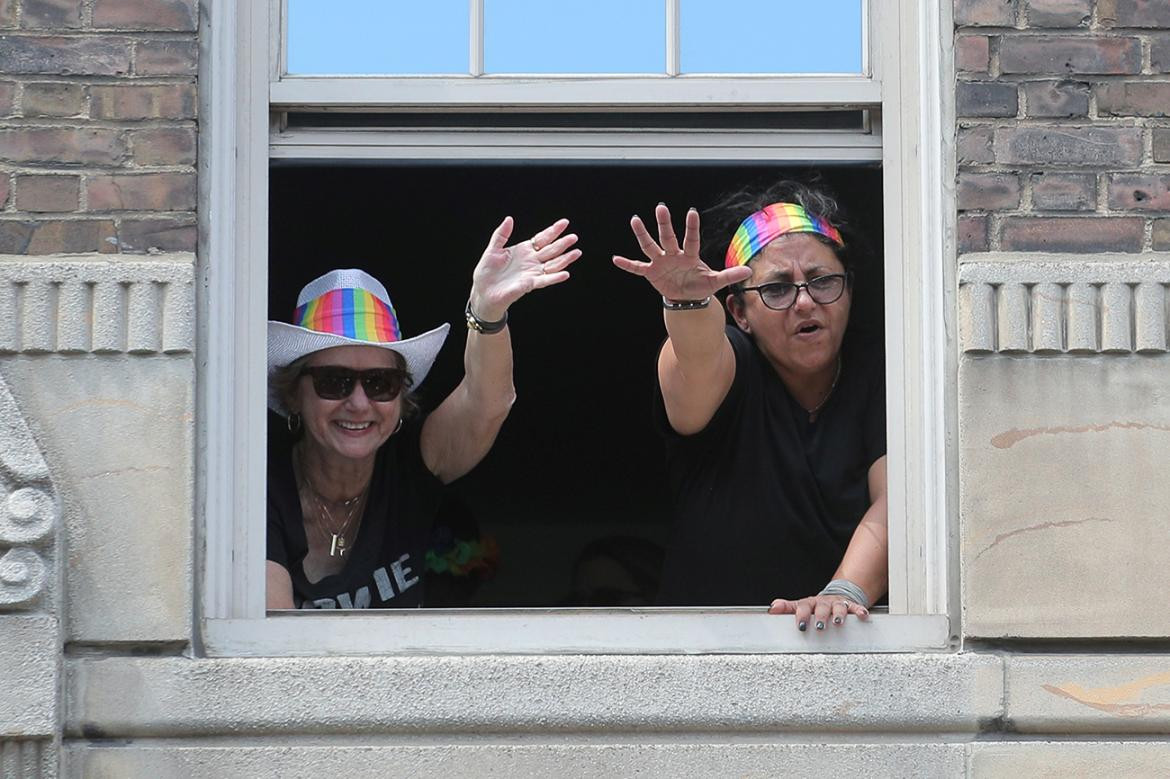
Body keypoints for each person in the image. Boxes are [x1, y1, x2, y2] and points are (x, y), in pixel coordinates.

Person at [265, 217, 580, 609]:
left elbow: (488, 402)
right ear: (295, 394)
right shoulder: (257, 493)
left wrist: (487, 312)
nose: (359, 403)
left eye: (380, 383)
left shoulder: (412, 464)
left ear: (401, 398)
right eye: (334, 381)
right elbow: (274, 656)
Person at [612, 182, 887, 632]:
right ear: (739, 312)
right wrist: (687, 303)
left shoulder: (882, 372)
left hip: (845, 653)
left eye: (823, 281)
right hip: (701, 662)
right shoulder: (733, 364)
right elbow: (695, 357)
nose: (804, 301)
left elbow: (903, 500)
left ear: (849, 290)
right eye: (777, 289)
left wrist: (842, 593)